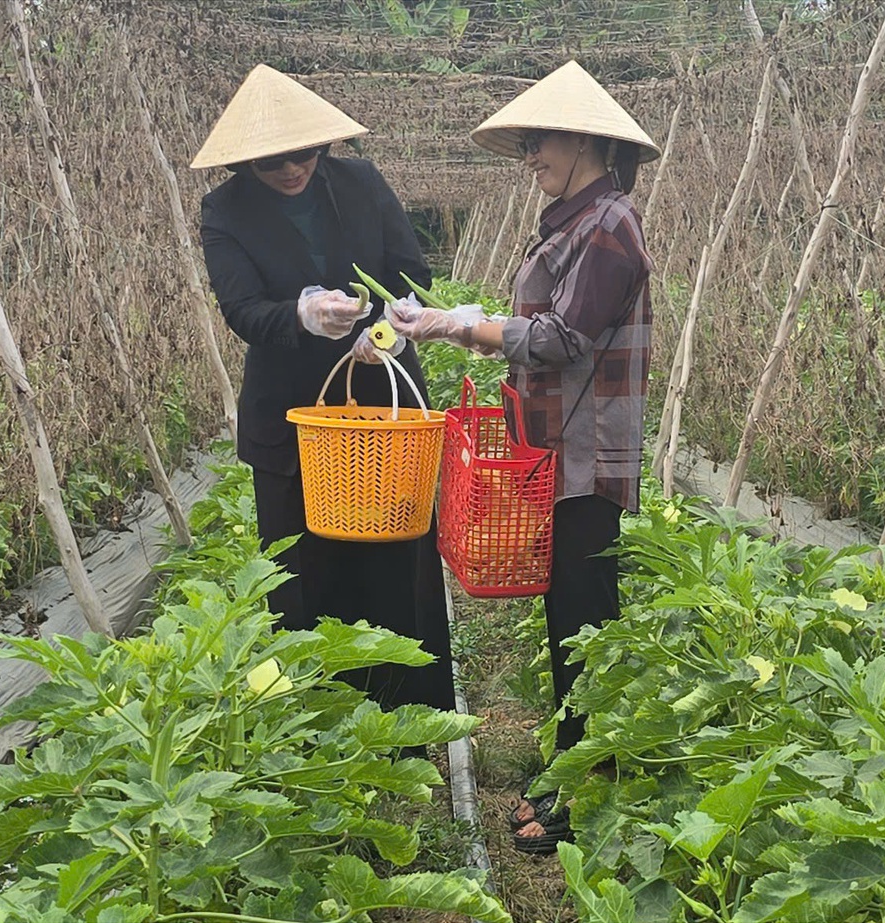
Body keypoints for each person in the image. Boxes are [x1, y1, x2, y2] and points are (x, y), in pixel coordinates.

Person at [385, 60, 658, 852]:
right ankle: (574, 764)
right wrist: (476, 321)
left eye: (539, 141)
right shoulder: (577, 222)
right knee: (567, 612)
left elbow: (566, 339)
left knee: (584, 617)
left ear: (582, 140)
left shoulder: (609, 224)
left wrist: (461, 326)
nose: (530, 154)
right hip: (557, 447)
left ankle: (584, 786)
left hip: (585, 452)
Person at [193, 64, 454, 715]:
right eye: (272, 161)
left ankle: (405, 719)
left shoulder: (360, 183)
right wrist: (302, 316)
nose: (291, 169)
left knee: (395, 559)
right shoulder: (224, 211)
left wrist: (384, 335)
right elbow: (242, 308)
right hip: (290, 421)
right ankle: (323, 727)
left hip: (381, 408)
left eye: (303, 153)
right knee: (304, 570)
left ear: (323, 144)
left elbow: (410, 277)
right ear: (244, 162)